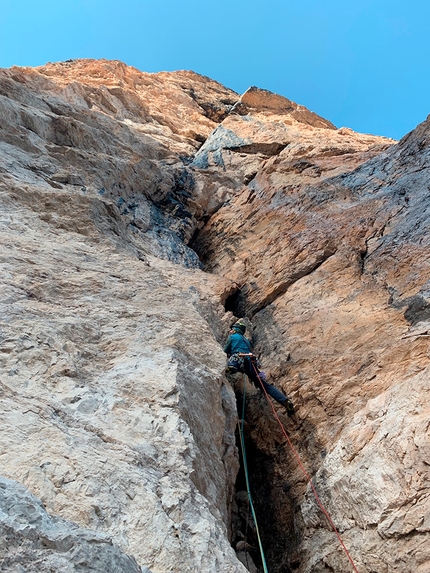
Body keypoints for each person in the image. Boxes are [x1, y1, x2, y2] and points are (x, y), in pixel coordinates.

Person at [224, 321, 295, 416]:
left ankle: (232, 367)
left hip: (239, 357)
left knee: (233, 364)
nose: (231, 331)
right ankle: (285, 401)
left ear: (236, 329)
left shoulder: (232, 337)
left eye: (232, 329)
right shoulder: (247, 341)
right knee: (265, 385)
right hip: (252, 361)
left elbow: (225, 351)